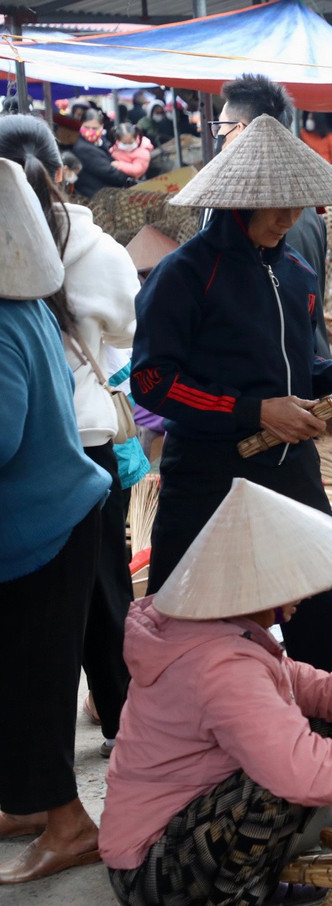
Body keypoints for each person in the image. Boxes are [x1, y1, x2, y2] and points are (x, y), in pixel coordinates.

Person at [102, 479, 332, 906]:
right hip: (157, 877)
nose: (303, 595)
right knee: (277, 784)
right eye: (291, 582)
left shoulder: (212, 631)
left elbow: (297, 683)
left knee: (330, 722)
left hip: (176, 842)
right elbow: (299, 772)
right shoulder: (218, 664)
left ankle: (258, 879)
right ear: (255, 588)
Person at [131, 115, 332, 683]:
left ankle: (330, 752)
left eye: (296, 204)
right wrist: (252, 411)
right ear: (236, 201)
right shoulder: (183, 275)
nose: (288, 219)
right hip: (208, 482)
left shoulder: (296, 273)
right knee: (185, 628)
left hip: (293, 477)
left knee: (322, 624)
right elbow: (151, 382)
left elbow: (302, 370)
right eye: (274, 205)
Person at [0, 115, 142, 759]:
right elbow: (122, 339)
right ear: (62, 171)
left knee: (39, 618)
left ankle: (39, 766)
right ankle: (124, 723)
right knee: (105, 591)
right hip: (88, 437)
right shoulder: (102, 250)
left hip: (28, 451)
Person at [0, 158, 112, 883]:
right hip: (48, 523)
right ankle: (27, 802)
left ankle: (69, 824)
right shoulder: (28, 301)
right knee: (21, 681)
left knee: (31, 686)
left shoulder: (5, 318)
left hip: (43, 529)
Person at [208, 74, 332, 356]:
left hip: (288, 372)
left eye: (221, 129)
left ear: (241, 131)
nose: (218, 139)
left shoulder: (269, 215)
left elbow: (278, 314)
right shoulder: (302, 204)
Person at [70, 113, 135, 198]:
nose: (90, 131)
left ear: (101, 127)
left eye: (94, 128)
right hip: (95, 196)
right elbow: (108, 172)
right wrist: (128, 177)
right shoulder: (83, 148)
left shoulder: (101, 142)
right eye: (86, 127)